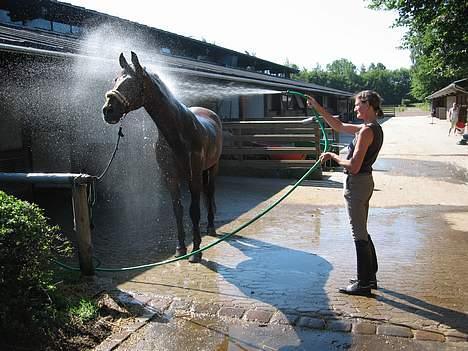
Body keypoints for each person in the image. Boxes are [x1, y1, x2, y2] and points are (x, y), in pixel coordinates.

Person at [306, 91, 384, 296]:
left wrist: (333, 156)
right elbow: (338, 126)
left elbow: (354, 166)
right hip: (364, 183)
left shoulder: (366, 131)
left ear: (368, 105)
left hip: (357, 183)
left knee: (358, 233)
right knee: (362, 230)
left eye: (358, 105)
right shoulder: (370, 128)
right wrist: (318, 107)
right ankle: (370, 276)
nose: (356, 108)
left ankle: (363, 283)